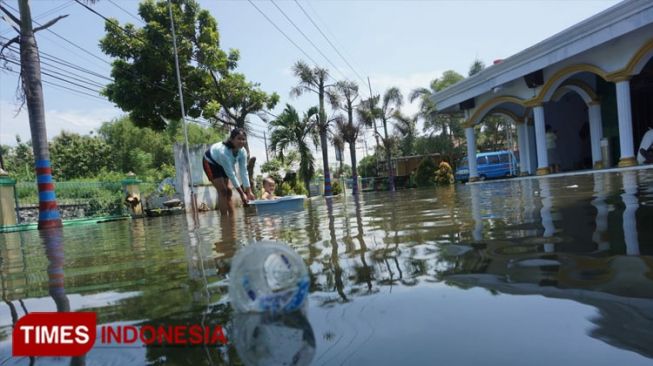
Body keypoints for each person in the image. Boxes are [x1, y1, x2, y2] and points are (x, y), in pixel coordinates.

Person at [202, 128, 256, 215]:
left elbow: (244, 171)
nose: (241, 141)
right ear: (231, 139)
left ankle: (232, 217)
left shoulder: (243, 152)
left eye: (243, 139)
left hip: (222, 164)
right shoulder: (224, 152)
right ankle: (224, 219)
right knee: (223, 190)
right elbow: (231, 174)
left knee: (229, 191)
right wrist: (242, 194)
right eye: (239, 138)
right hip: (210, 161)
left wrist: (248, 191)